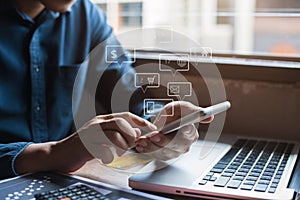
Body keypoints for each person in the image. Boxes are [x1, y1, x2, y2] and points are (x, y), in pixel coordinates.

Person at [0, 0, 213, 180]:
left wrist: (161, 124)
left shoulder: (87, 15)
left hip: (60, 180)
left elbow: (129, 95)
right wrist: (50, 153)